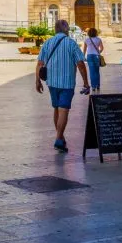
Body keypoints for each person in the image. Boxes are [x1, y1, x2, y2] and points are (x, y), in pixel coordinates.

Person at [35, 19, 90, 153]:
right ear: (66, 30)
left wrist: (37, 81)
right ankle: (59, 139)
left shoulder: (47, 43)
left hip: (52, 83)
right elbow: (81, 64)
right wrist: (86, 82)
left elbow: (39, 64)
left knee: (56, 109)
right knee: (63, 110)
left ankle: (61, 137)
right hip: (67, 83)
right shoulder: (71, 43)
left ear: (55, 30)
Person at [83, 26, 104, 92]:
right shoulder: (98, 39)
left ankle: (93, 86)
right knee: (97, 72)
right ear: (95, 32)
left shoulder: (87, 40)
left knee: (92, 72)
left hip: (89, 56)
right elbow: (102, 48)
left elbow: (84, 49)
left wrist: (83, 56)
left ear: (89, 33)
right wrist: (98, 52)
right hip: (96, 56)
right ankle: (98, 86)